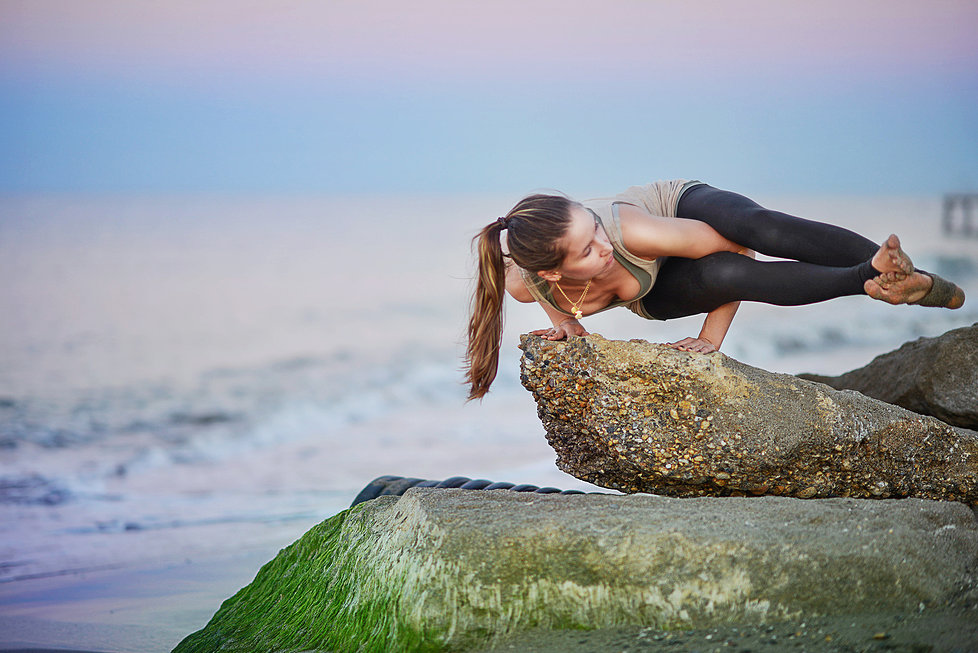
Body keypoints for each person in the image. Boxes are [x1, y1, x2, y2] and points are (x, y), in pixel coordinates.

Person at [465, 180, 965, 400]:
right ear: (552, 273)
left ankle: (885, 271)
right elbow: (539, 292)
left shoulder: (630, 233)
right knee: (723, 277)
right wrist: (567, 324)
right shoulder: (529, 285)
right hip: (652, 291)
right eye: (585, 250)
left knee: (758, 229)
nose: (602, 246)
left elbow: (738, 250)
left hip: (683, 212)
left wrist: (712, 337)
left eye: (594, 227)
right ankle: (873, 280)